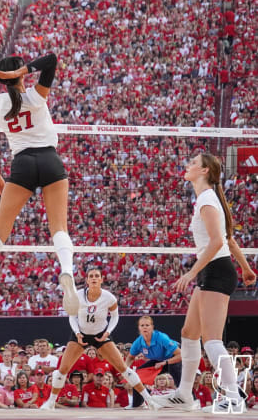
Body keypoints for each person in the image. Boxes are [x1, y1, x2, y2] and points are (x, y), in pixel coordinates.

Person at [0, 53, 78, 321]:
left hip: (22, 166)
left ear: (2, 79)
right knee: (59, 228)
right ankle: (67, 272)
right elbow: (52, 59)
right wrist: (25, 70)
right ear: (21, 75)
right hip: (50, 160)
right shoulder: (36, 95)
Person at [155, 153, 256, 413]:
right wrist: (245, 268)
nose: (187, 166)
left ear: (205, 171)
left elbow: (216, 243)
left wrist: (191, 273)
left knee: (212, 340)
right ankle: (185, 395)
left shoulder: (207, 199)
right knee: (189, 333)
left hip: (216, 271)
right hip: (213, 270)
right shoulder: (209, 199)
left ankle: (234, 397)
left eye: (192, 163)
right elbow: (229, 239)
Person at [41, 268, 158, 410]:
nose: (94, 278)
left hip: (101, 334)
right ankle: (51, 402)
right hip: (81, 334)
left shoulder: (109, 298)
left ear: (102, 279)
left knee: (122, 367)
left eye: (97, 276)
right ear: (87, 280)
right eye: (91, 276)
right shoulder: (78, 296)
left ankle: (149, 400)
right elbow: (72, 316)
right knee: (63, 369)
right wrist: (77, 333)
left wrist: (108, 332)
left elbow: (115, 316)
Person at [126, 316, 182, 391]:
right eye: (142, 325)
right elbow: (130, 357)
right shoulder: (138, 342)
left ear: (152, 327)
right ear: (139, 328)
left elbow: (181, 355)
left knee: (175, 371)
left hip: (174, 356)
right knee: (139, 375)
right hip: (159, 359)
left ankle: (189, 398)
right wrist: (125, 371)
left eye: (147, 325)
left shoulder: (161, 338)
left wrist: (165, 363)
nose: (144, 327)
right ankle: (140, 401)